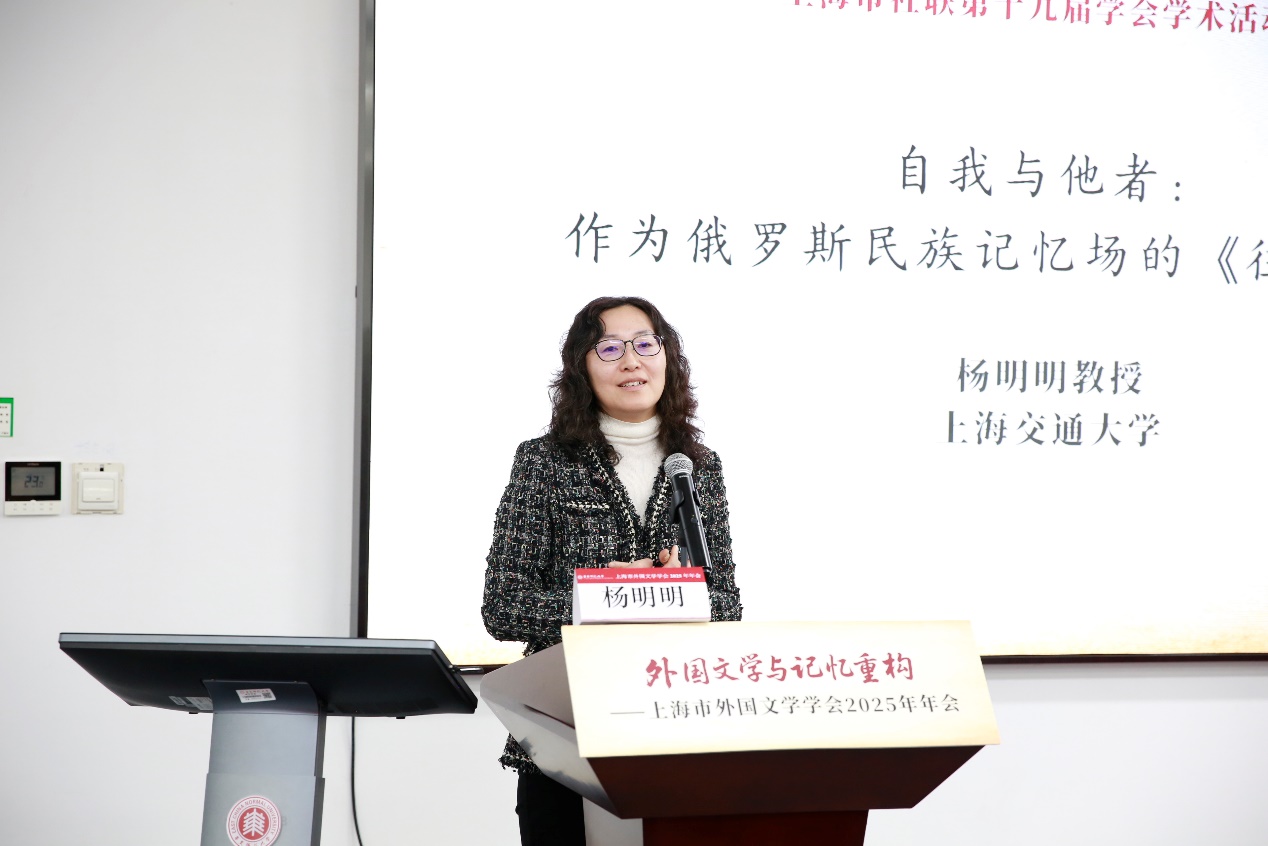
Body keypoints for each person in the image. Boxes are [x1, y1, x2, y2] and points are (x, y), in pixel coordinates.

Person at [481, 295, 743, 845]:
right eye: (609, 348)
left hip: (673, 728)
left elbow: (727, 606)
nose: (631, 361)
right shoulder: (544, 461)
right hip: (565, 733)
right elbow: (504, 605)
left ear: (667, 358)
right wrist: (607, 596)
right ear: (581, 367)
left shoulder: (698, 467)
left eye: (645, 344)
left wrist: (673, 592)